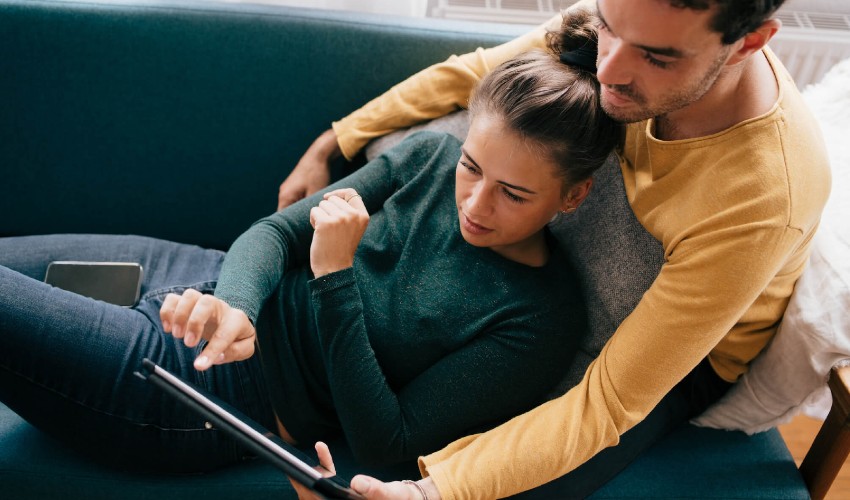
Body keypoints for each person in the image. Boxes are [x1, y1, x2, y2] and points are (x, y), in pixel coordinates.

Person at [0, 13, 621, 491]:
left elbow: (387, 441)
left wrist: (333, 275)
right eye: (472, 168)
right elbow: (274, 235)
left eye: (513, 194)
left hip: (217, 397)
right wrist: (237, 306)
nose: (476, 206)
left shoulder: (538, 318)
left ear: (572, 196)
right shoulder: (429, 159)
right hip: (199, 280)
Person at [278, 1, 833, 499]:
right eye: (609, 29)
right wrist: (337, 139)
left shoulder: (763, 197)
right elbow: (478, 75)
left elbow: (607, 404)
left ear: (750, 41)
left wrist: (434, 489)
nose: (608, 68)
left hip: (690, 355)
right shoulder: (625, 24)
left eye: (657, 58)